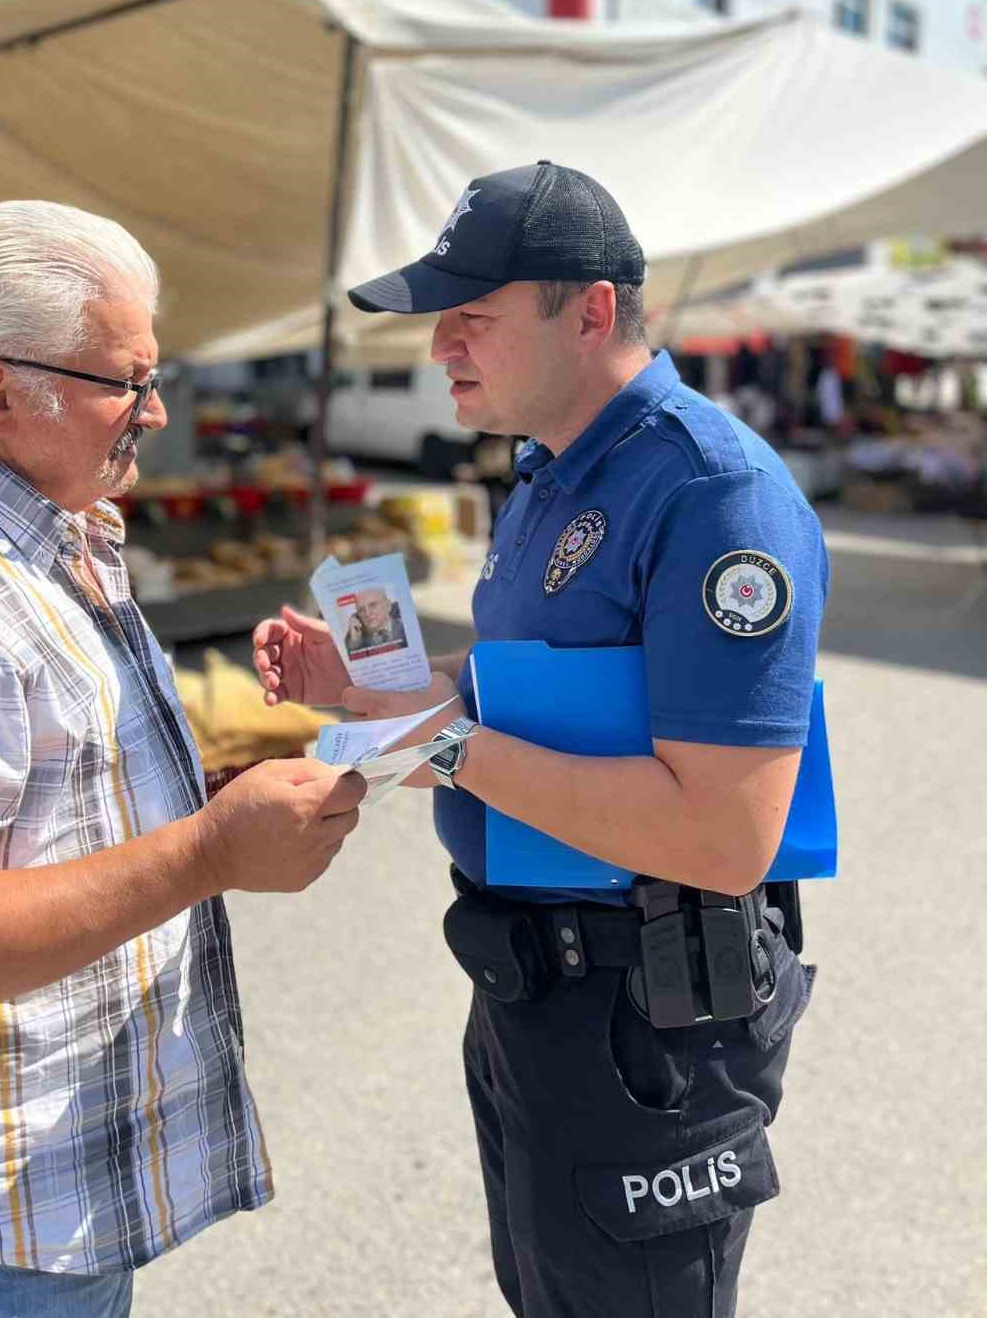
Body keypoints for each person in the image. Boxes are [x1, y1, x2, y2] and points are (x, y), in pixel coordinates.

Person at [253, 161, 826, 1318]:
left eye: (473, 317)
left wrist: (443, 738)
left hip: (652, 1013)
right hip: (538, 983)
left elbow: (724, 834)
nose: (441, 347)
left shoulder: (714, 495)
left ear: (593, 309)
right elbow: (558, 686)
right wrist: (394, 690)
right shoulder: (556, 469)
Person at [0, 201, 364, 1316]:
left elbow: (33, 813)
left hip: (41, 1211)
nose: (154, 410)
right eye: (125, 379)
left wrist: (209, 800)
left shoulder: (56, 535)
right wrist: (207, 851)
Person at [344, 586, 406, 656]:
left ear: (388, 605)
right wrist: (355, 641)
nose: (367, 613)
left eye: (373, 605)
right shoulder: (358, 642)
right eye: (361, 610)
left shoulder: (406, 628)